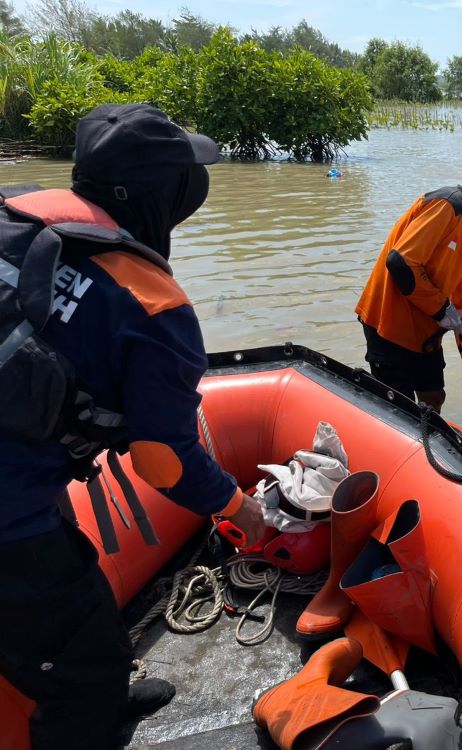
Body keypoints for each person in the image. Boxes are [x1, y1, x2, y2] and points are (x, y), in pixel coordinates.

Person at [0, 104, 266, 750]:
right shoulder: (152, 304)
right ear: (157, 195)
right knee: (82, 668)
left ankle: (112, 690)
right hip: (10, 512)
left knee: (80, 585)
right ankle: (96, 704)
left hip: (22, 478)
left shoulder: (14, 210)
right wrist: (238, 508)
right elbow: (162, 461)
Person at [355, 145, 462, 413]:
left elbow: (461, 291)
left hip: (425, 330)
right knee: (399, 409)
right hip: (389, 323)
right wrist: (440, 308)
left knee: (434, 396)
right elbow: (401, 262)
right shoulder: (446, 205)